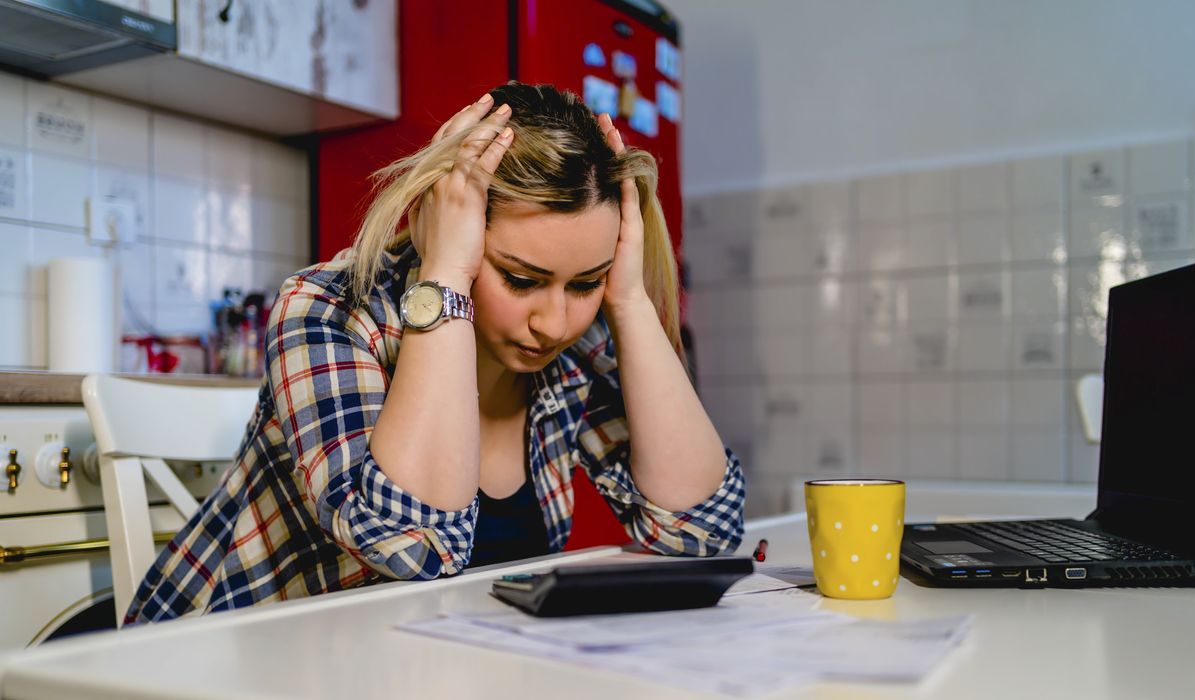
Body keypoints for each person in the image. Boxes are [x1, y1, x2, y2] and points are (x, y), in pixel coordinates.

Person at [125, 82, 746, 625]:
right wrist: (444, 276)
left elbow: (702, 532)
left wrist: (630, 300)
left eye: (585, 283)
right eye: (522, 279)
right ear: (445, 225)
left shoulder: (574, 352)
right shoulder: (327, 310)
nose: (554, 322)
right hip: (214, 668)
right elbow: (413, 548)